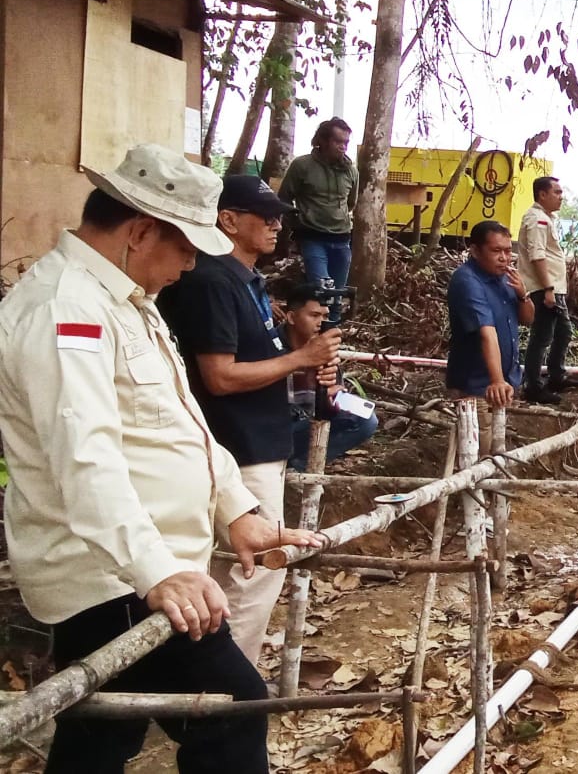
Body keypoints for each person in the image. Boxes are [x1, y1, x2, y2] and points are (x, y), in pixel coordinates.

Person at [0, 144, 321, 773]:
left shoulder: (123, 301)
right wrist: (157, 573)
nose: (190, 266)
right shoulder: (67, 309)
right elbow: (82, 457)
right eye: (186, 250)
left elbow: (179, 423)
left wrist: (237, 510)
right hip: (114, 575)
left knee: (102, 730)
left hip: (141, 566)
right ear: (141, 231)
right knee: (231, 708)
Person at [157, 175, 343, 666]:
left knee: (237, 573)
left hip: (259, 440)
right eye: (266, 216)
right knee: (254, 573)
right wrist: (300, 358)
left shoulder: (246, 280)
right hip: (237, 446)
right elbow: (219, 376)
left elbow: (262, 357)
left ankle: (217, 681)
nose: (277, 225)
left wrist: (302, 352)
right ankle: (226, 686)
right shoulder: (213, 281)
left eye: (280, 216)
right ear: (228, 219)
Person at [282, 283, 380, 469]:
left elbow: (325, 410)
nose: (321, 322)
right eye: (314, 315)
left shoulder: (325, 348)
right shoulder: (272, 344)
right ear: (291, 317)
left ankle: (298, 467)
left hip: (302, 426)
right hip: (270, 429)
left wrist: (329, 398)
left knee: (366, 420)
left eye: (325, 316)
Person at [447, 220, 534, 410]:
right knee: (477, 437)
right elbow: (487, 332)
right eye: (496, 251)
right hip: (478, 386)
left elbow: (528, 319)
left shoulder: (506, 278)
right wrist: (497, 381)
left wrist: (523, 295)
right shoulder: (467, 281)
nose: (504, 258)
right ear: (476, 251)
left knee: (498, 437)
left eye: (508, 251)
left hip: (506, 383)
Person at [279, 117, 357, 304]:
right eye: (338, 141)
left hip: (342, 239)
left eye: (346, 142)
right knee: (323, 293)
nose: (343, 147)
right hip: (313, 238)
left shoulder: (351, 171)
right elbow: (284, 198)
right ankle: (317, 331)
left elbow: (351, 202)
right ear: (322, 140)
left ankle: (334, 331)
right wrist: (296, 222)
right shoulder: (302, 166)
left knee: (337, 296)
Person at [520, 175, 578, 404]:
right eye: (556, 192)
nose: (561, 197)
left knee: (564, 331)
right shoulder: (537, 220)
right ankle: (533, 386)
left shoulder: (547, 218)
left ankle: (556, 375)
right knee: (542, 336)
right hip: (544, 289)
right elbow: (537, 256)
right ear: (542, 194)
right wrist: (547, 289)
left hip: (554, 288)